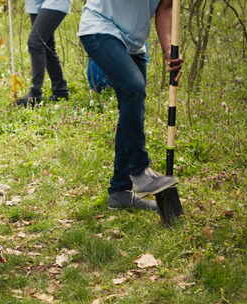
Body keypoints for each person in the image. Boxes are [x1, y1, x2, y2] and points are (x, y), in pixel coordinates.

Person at [78, 0, 183, 210]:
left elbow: (165, 8)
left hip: (133, 42)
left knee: (132, 106)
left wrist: (168, 50)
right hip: (100, 27)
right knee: (134, 89)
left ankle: (120, 192)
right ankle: (139, 170)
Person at [16, 0, 71, 107]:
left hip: (54, 2)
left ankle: (35, 94)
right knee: (46, 45)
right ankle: (60, 91)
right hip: (34, 3)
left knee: (35, 42)